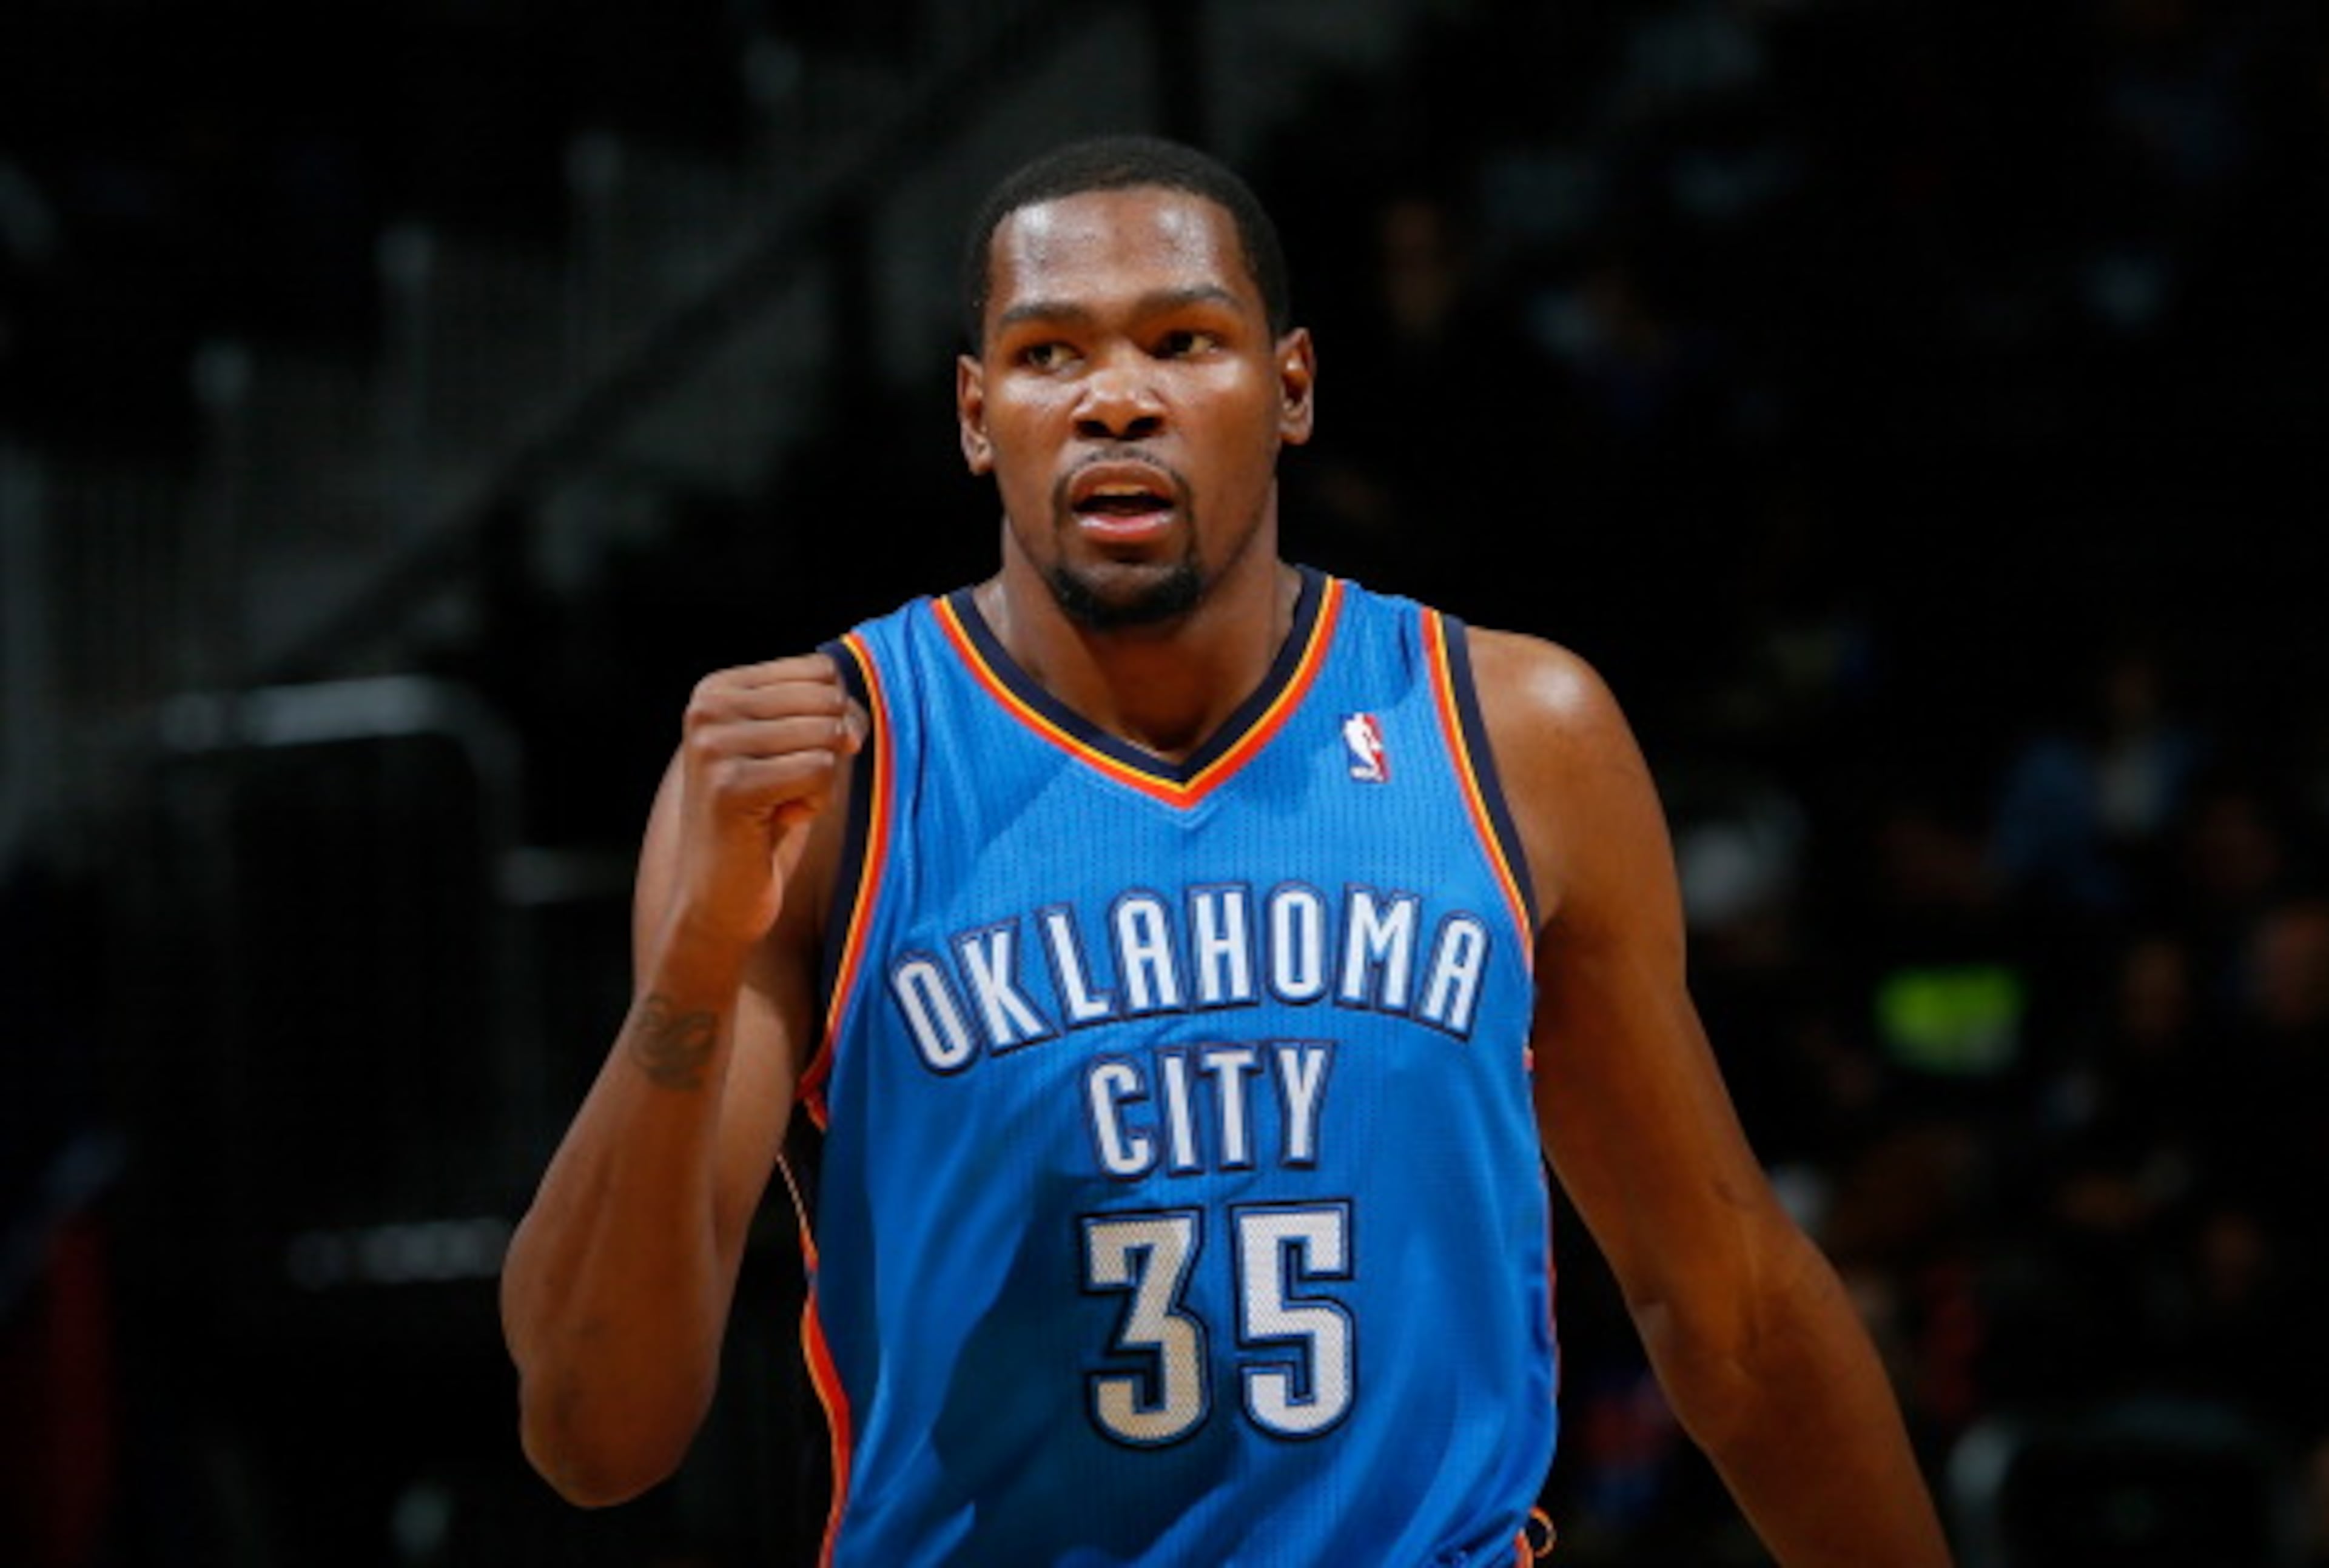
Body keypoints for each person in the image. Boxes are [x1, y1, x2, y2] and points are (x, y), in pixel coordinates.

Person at [499, 133, 1953, 1565]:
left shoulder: (1514, 734)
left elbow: (1737, 1318)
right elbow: (592, 1436)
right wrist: (691, 963)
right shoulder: (832, 769)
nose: (1114, 399)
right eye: (1048, 354)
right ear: (973, 414)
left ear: (1292, 387)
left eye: (1185, 341)